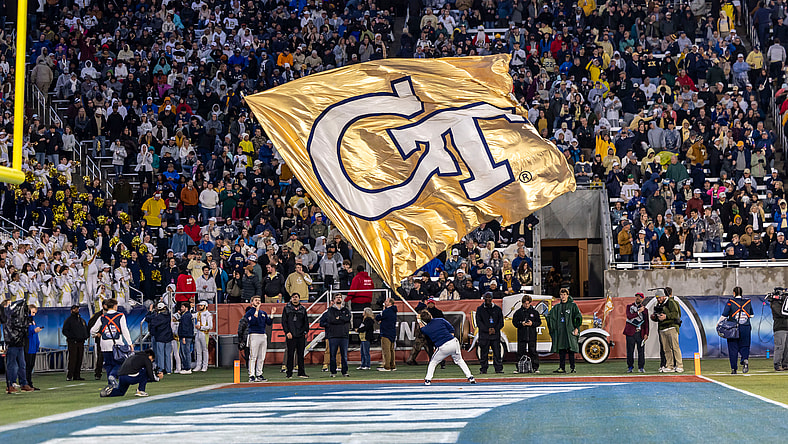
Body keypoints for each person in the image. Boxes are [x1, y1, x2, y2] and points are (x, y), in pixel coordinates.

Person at [418, 310, 476, 386]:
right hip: (454, 342)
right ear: (431, 315)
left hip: (443, 346)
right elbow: (451, 329)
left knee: (433, 362)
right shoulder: (440, 320)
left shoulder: (425, 329)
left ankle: (428, 380)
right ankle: (470, 377)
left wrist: (418, 319)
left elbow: (421, 327)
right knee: (459, 360)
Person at [89, 298, 132, 388]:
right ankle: (113, 376)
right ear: (115, 306)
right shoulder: (120, 315)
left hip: (104, 344)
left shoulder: (102, 317)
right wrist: (130, 343)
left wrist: (96, 334)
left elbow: (92, 330)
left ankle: (110, 383)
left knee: (108, 364)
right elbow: (124, 330)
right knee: (119, 363)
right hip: (116, 344)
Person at [546, 288, 582, 373]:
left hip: (570, 332)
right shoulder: (557, 307)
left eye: (564, 294)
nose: (563, 296)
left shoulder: (573, 306)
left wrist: (576, 328)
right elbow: (551, 317)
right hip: (561, 332)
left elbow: (578, 317)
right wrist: (546, 317)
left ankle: (572, 368)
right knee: (561, 350)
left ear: (567, 295)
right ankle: (562, 368)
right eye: (561, 295)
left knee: (571, 350)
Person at [718, 286, 753, 374]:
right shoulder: (748, 302)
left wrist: (718, 323)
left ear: (734, 293)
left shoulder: (730, 302)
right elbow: (751, 315)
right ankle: (745, 359)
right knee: (745, 346)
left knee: (733, 348)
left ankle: (734, 369)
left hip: (733, 328)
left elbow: (724, 315)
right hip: (746, 327)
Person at [651, 287, 683, 372]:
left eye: (659, 297)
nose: (658, 299)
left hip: (672, 327)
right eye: (657, 298)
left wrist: (666, 316)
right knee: (666, 349)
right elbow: (658, 317)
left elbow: (676, 314)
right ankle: (670, 366)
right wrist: (654, 318)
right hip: (662, 329)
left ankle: (680, 366)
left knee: (675, 348)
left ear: (664, 296)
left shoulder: (671, 302)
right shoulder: (658, 305)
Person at [245, 295, 275, 382]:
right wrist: (257, 310)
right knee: (253, 356)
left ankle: (259, 373)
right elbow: (253, 321)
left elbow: (268, 323)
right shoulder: (249, 312)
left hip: (262, 334)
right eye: (256, 300)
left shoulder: (263, 312)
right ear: (252, 302)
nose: (258, 301)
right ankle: (251, 375)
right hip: (254, 334)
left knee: (261, 356)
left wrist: (272, 314)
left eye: (259, 300)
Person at [320, 293, 351, 377]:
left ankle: (345, 371)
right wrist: (340, 319)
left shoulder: (346, 310)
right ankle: (333, 372)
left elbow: (347, 319)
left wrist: (338, 319)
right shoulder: (329, 311)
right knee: (332, 355)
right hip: (333, 335)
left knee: (344, 355)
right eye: (337, 297)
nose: (339, 299)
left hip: (344, 336)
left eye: (340, 297)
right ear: (333, 300)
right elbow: (331, 320)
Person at [475, 292, 504, 374]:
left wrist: (495, 329)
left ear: (492, 298)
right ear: (484, 299)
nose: (488, 299)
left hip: (495, 335)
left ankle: (498, 369)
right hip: (484, 335)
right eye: (486, 298)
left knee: (497, 353)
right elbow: (479, 322)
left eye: (489, 298)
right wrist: (487, 330)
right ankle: (483, 369)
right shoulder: (480, 309)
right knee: (484, 353)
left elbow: (501, 322)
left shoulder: (497, 309)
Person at [512, 294, 541, 373]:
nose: (526, 305)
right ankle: (519, 368)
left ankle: (535, 368)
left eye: (528, 303)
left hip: (532, 335)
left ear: (530, 303)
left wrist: (532, 324)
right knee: (520, 352)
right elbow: (514, 323)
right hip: (522, 335)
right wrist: (521, 324)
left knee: (533, 351)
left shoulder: (534, 312)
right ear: (522, 303)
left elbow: (539, 322)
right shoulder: (518, 312)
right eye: (525, 303)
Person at [282, 292, 309, 378]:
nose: (295, 298)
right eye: (293, 297)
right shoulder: (286, 308)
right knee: (290, 354)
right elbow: (284, 322)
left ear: (299, 298)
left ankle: (301, 372)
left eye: (296, 297)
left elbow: (306, 322)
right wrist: (287, 332)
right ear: (291, 299)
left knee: (300, 354)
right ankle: (289, 373)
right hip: (291, 335)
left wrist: (305, 331)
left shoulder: (303, 309)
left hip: (300, 335)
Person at [62, 304, 89, 381]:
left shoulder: (81, 320)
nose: (76, 310)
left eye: (77, 309)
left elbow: (85, 329)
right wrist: (72, 337)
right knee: (73, 359)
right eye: (74, 309)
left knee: (79, 359)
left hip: (81, 342)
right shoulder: (69, 320)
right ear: (71, 310)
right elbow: (65, 331)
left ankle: (77, 375)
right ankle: (70, 375)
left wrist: (85, 336)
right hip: (73, 342)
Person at [624, 292, 649, 373]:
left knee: (641, 351)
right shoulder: (629, 307)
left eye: (640, 297)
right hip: (630, 332)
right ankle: (630, 367)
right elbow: (629, 316)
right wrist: (638, 312)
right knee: (630, 351)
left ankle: (641, 367)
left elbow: (646, 323)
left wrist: (646, 334)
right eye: (637, 297)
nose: (638, 298)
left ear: (642, 299)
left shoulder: (645, 310)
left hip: (640, 332)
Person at [146, 302, 174, 374]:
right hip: (168, 336)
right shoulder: (168, 315)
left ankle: (161, 369)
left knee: (160, 354)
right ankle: (168, 369)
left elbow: (148, 319)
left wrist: (150, 311)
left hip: (160, 337)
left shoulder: (157, 317)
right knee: (167, 354)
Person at [375, 297, 398, 371]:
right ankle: (392, 365)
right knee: (391, 350)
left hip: (386, 332)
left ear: (390, 303)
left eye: (387, 301)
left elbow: (378, 317)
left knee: (386, 350)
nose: (385, 301)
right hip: (392, 332)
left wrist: (381, 319)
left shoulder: (387, 311)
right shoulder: (393, 311)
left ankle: (387, 366)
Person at [25, 305, 43, 390]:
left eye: (35, 313)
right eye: (33, 312)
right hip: (28, 347)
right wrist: (33, 331)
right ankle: (26, 384)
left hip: (33, 346)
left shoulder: (32, 321)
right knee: (28, 366)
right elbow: (26, 332)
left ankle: (29, 384)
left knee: (30, 366)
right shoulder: (26, 320)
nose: (34, 314)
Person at [175, 302, 195, 375]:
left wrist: (183, 337)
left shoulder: (186, 316)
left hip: (185, 336)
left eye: (182, 307)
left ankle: (187, 367)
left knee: (185, 352)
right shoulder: (186, 315)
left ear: (186, 308)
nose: (181, 308)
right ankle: (186, 367)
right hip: (185, 336)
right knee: (183, 352)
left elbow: (185, 327)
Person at [770, 290, 788, 371]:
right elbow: (781, 313)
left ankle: (785, 364)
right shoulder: (775, 303)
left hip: (786, 326)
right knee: (780, 346)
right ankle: (777, 364)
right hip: (780, 327)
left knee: (786, 347)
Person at [194, 300, 214, 372]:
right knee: (198, 350)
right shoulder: (198, 314)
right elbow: (191, 316)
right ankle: (198, 365)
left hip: (204, 333)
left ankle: (205, 365)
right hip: (198, 332)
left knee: (205, 349)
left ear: (205, 306)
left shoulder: (208, 314)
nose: (200, 307)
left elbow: (210, 326)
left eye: (201, 305)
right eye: (199, 305)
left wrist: (201, 327)